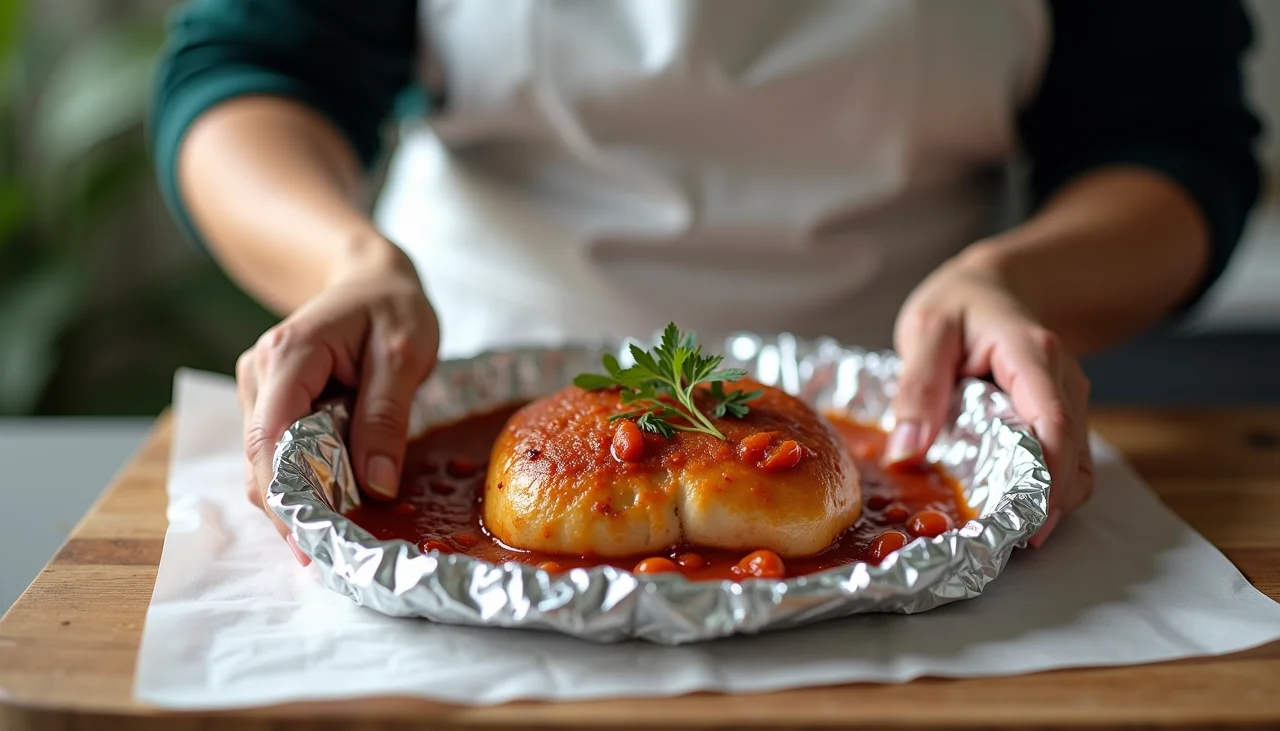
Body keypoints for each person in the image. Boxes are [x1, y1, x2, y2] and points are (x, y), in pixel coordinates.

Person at [150, 0, 1261, 563]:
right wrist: (346, 264)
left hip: (905, 421)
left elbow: (1172, 139)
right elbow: (254, 66)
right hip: (450, 377)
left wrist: (1020, 279)